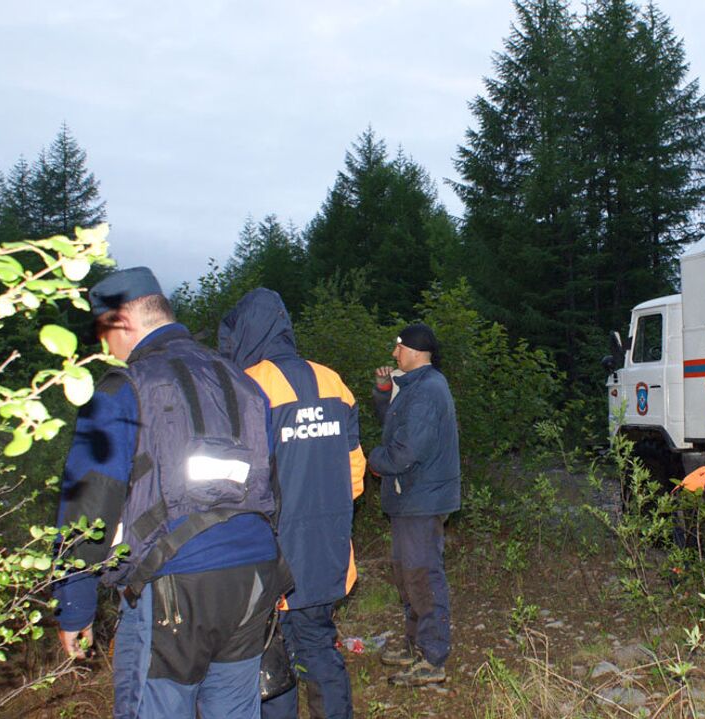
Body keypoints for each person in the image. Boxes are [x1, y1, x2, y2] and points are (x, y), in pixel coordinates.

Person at [52, 267, 285, 719]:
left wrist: (74, 605)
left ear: (121, 321)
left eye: (102, 333)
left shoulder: (125, 388)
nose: (104, 347)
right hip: (253, 576)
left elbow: (89, 504)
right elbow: (270, 487)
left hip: (172, 585)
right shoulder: (243, 383)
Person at [218, 288, 365, 719]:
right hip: (328, 550)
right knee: (319, 647)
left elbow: (235, 483)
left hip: (269, 557)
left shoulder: (247, 385)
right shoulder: (333, 381)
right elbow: (355, 476)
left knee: (268, 658)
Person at [369, 324, 460, 687]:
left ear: (416, 351)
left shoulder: (427, 390)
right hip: (412, 497)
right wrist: (383, 393)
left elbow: (405, 451)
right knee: (407, 573)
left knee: (423, 575)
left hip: (423, 497)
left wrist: (372, 460)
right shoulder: (416, 386)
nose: (394, 354)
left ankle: (433, 657)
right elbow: (394, 427)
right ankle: (414, 644)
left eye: (399, 348)